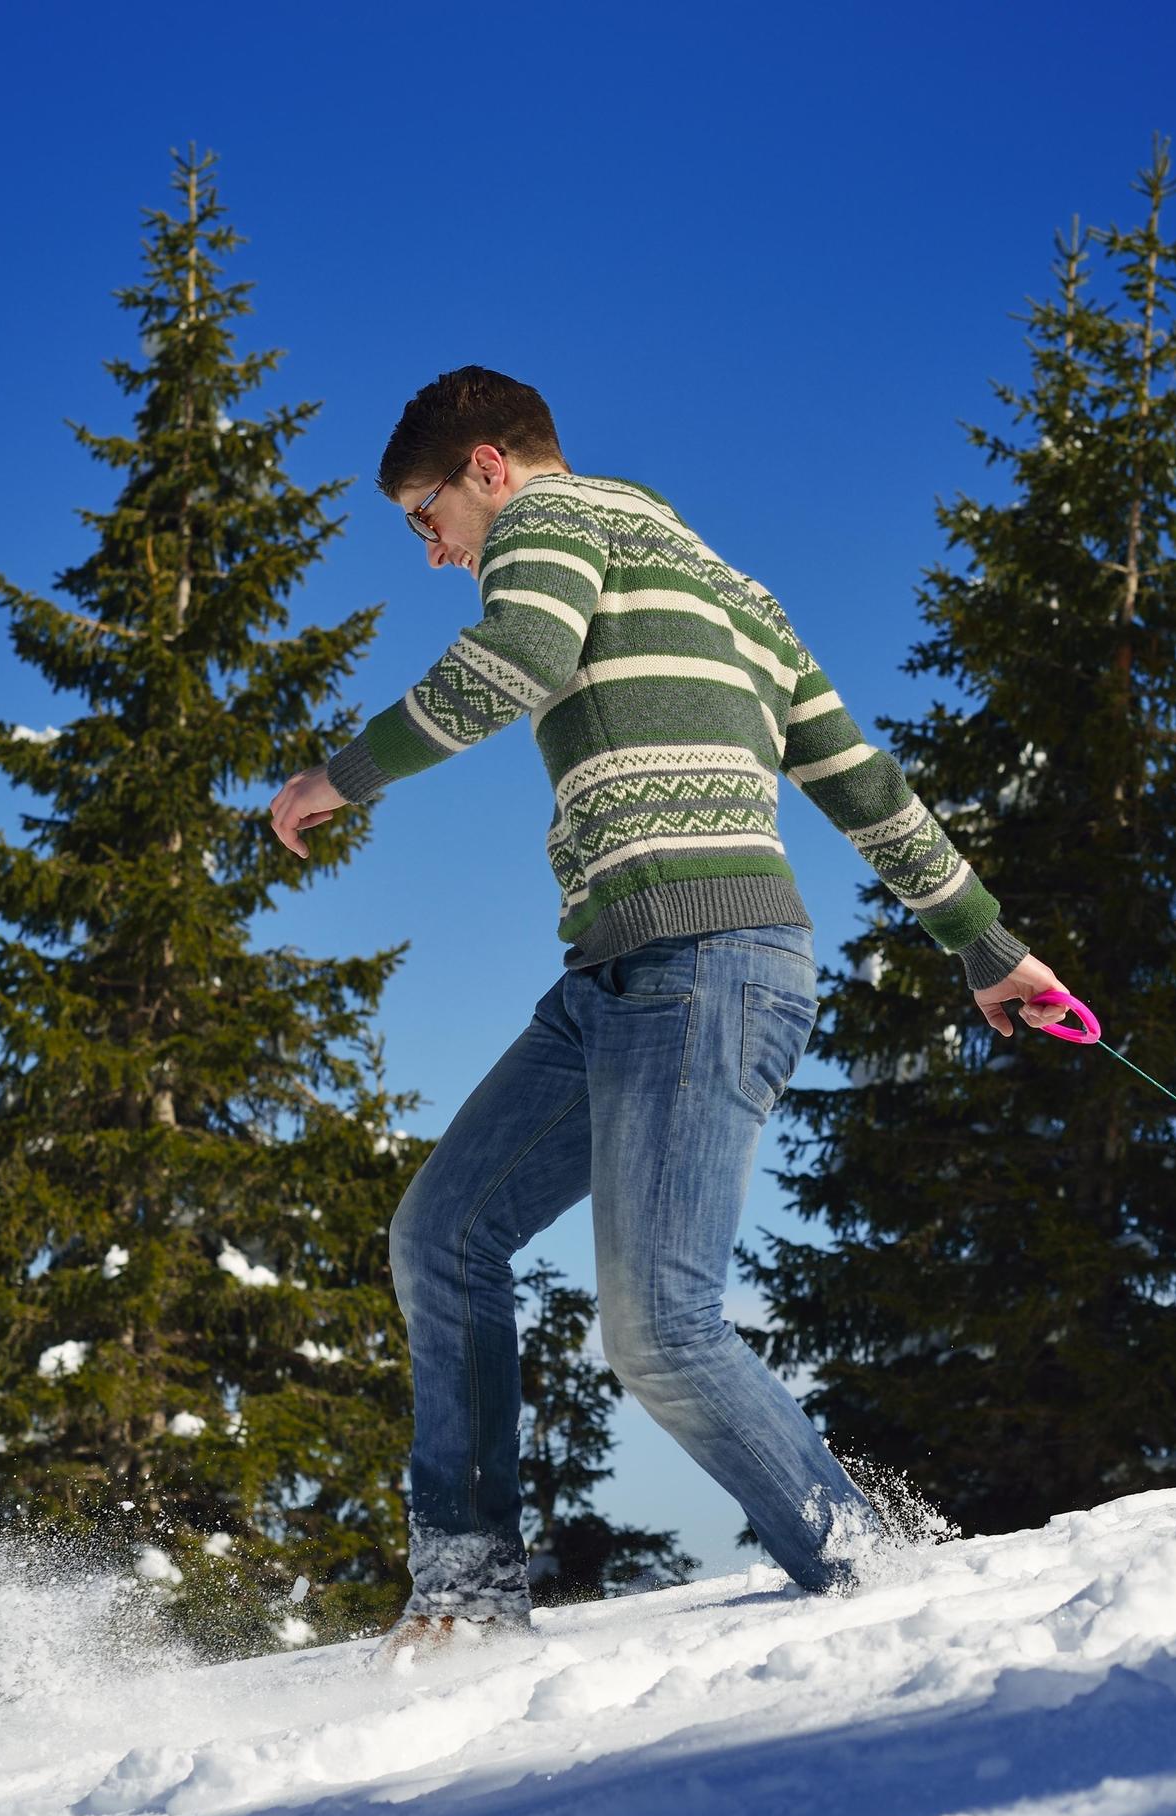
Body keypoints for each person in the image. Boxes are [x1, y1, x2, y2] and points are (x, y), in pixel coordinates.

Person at [266, 368, 1072, 1655]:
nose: (433, 553)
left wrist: (342, 774)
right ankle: (468, 1596)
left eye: (426, 518)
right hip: (621, 976)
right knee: (445, 1233)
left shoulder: (549, 523)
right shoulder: (736, 591)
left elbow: (516, 659)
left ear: (488, 467)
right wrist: (986, 947)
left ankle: (873, 1565)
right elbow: (862, 779)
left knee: (657, 1325)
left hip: (705, 963)